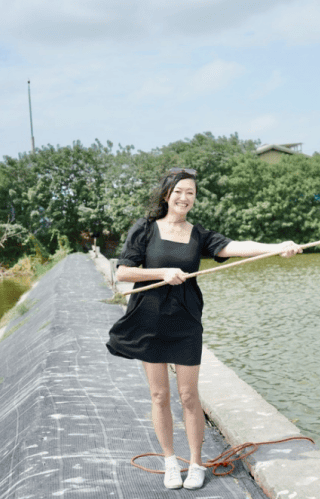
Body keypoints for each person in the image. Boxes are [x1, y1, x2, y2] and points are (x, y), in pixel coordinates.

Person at [106, 168, 301, 490]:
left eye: (191, 193)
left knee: (188, 395)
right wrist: (163, 272)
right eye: (180, 191)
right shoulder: (144, 229)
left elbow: (236, 246)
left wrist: (276, 246)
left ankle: (195, 463)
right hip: (149, 319)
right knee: (159, 394)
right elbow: (124, 273)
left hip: (185, 320)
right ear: (167, 194)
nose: (185, 198)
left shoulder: (199, 235)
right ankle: (170, 462)